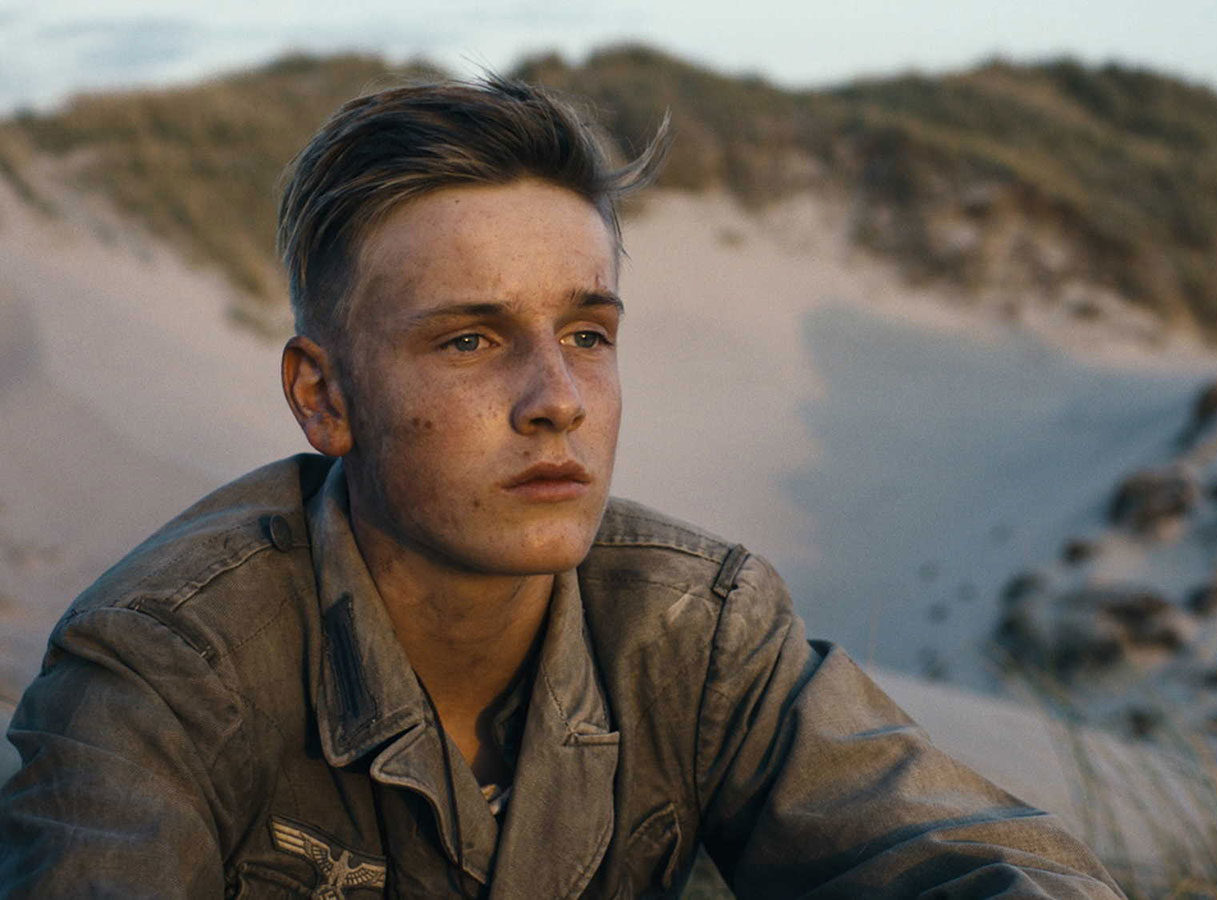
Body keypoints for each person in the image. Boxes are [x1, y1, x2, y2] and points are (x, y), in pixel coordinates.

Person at [0, 75, 1123, 898]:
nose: (557, 400)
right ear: (324, 397)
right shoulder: (166, 666)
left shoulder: (696, 628)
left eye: (587, 334)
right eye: (470, 341)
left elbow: (965, 858)